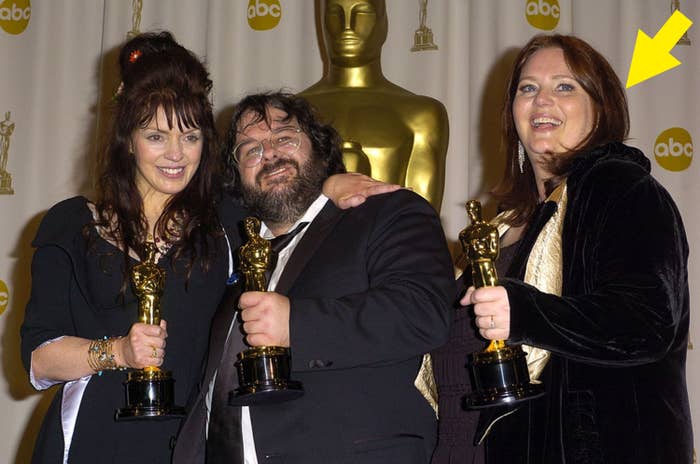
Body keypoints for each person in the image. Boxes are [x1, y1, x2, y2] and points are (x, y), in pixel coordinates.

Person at [20, 31, 399, 464]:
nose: (176, 154)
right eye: (156, 136)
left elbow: (287, 202)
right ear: (128, 139)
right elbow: (39, 360)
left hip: (192, 443)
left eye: (190, 136)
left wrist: (328, 185)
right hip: (91, 438)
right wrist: (118, 352)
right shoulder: (73, 223)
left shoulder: (228, 219)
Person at [431, 33, 692, 464]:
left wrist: (525, 312)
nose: (542, 100)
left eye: (565, 86)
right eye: (527, 88)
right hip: (463, 447)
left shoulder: (622, 188)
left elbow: (646, 321)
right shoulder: (501, 226)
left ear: (601, 108)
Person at [172, 91, 454, 464]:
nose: (269, 154)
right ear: (237, 178)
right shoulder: (237, 255)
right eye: (250, 150)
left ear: (320, 148)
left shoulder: (386, 212)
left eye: (285, 137)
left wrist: (296, 325)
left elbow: (422, 313)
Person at [298, 0, 449, 211]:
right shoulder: (289, 114)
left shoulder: (422, 115)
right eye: (334, 14)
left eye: (361, 13)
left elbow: (422, 218)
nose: (347, 26)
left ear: (383, 24)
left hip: (391, 231)